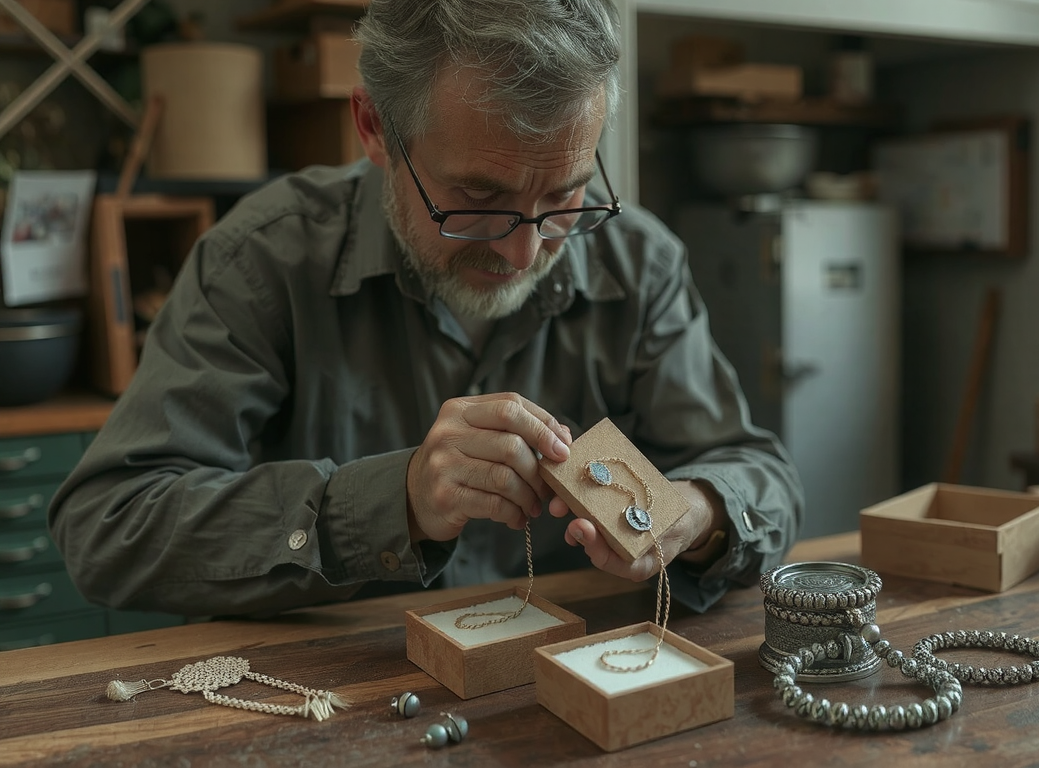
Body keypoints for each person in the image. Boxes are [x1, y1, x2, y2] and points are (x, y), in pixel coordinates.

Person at [49, 0, 803, 619]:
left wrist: (694, 513)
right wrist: (394, 504)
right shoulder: (263, 259)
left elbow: (760, 474)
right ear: (375, 127)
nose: (524, 253)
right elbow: (106, 528)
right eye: (478, 199)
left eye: (565, 195)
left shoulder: (639, 262)